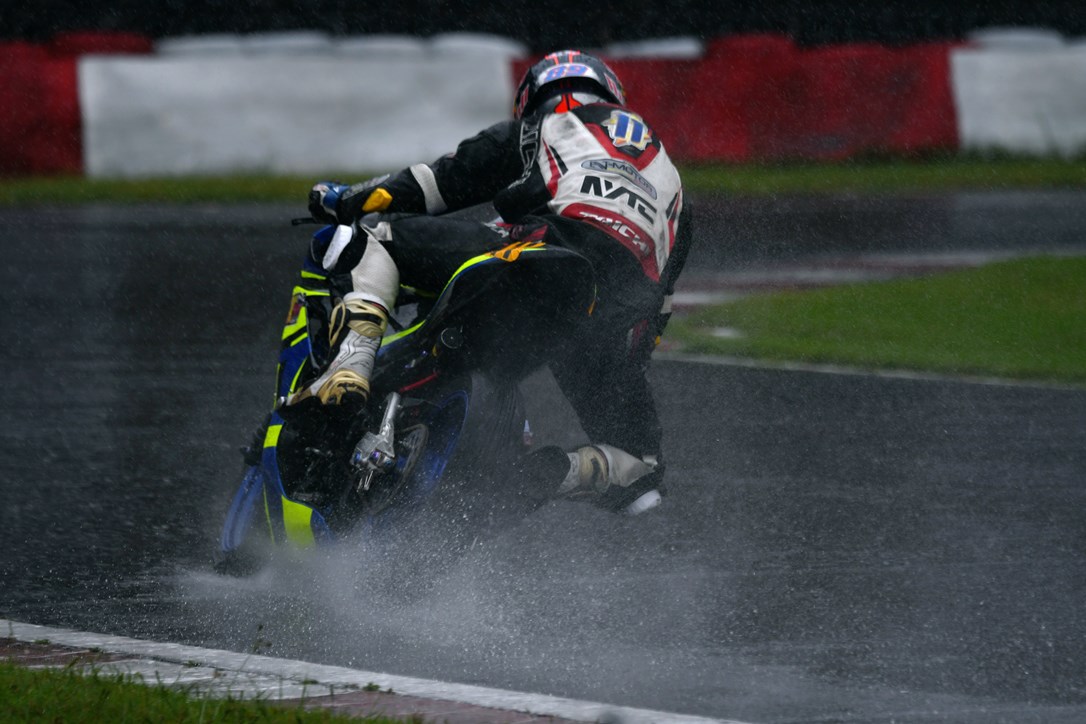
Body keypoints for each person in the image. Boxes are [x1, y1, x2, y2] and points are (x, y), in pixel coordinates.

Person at [287, 49, 692, 515]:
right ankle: (553, 473)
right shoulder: (674, 185)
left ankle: (350, 367)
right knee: (644, 471)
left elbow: (433, 184)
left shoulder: (550, 125)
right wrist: (618, 376)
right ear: (610, 95)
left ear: (534, 98)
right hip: (602, 316)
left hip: (546, 258)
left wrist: (346, 199)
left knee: (373, 238)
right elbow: (656, 315)